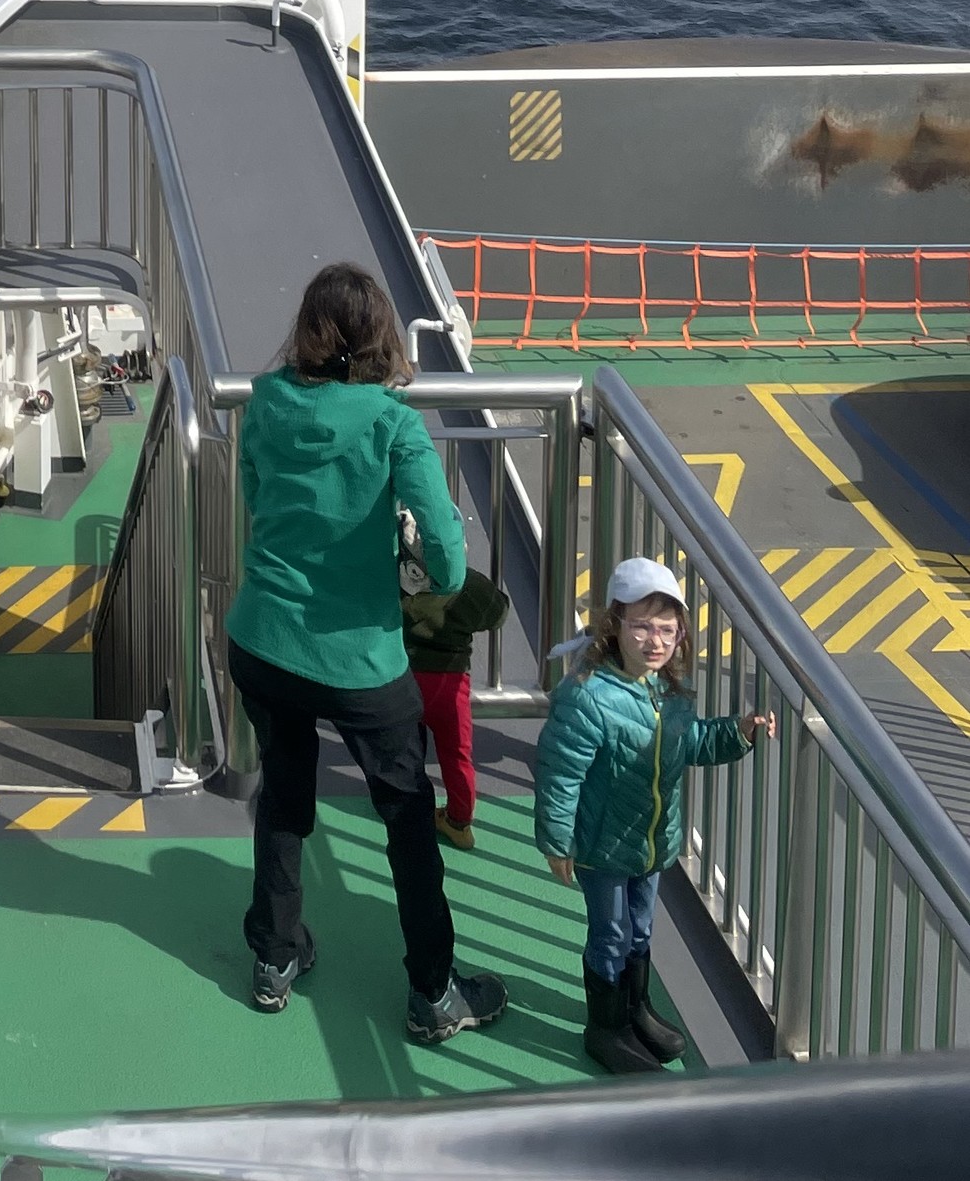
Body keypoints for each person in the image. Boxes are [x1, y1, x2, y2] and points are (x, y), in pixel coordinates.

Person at [223, 261, 507, 1041]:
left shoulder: (267, 400)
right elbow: (447, 560)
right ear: (382, 334)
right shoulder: (392, 421)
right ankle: (435, 990)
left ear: (309, 331)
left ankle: (276, 955)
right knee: (407, 818)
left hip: (263, 639)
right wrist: (405, 568)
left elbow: (258, 499)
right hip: (361, 662)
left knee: (283, 794)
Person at [533, 555, 773, 1073]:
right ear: (614, 626)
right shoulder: (587, 697)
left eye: (667, 629)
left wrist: (740, 732)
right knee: (612, 933)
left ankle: (634, 1009)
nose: (655, 640)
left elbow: (692, 745)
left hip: (651, 843)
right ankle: (605, 1028)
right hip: (602, 844)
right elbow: (559, 771)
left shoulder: (669, 693)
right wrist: (557, 839)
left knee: (640, 930)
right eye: (641, 626)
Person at [397, 507, 509, 851]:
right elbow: (498, 612)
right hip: (450, 686)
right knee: (456, 755)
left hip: (405, 680)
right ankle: (459, 821)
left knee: (407, 752)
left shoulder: (397, 581)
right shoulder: (469, 587)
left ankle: (409, 812)